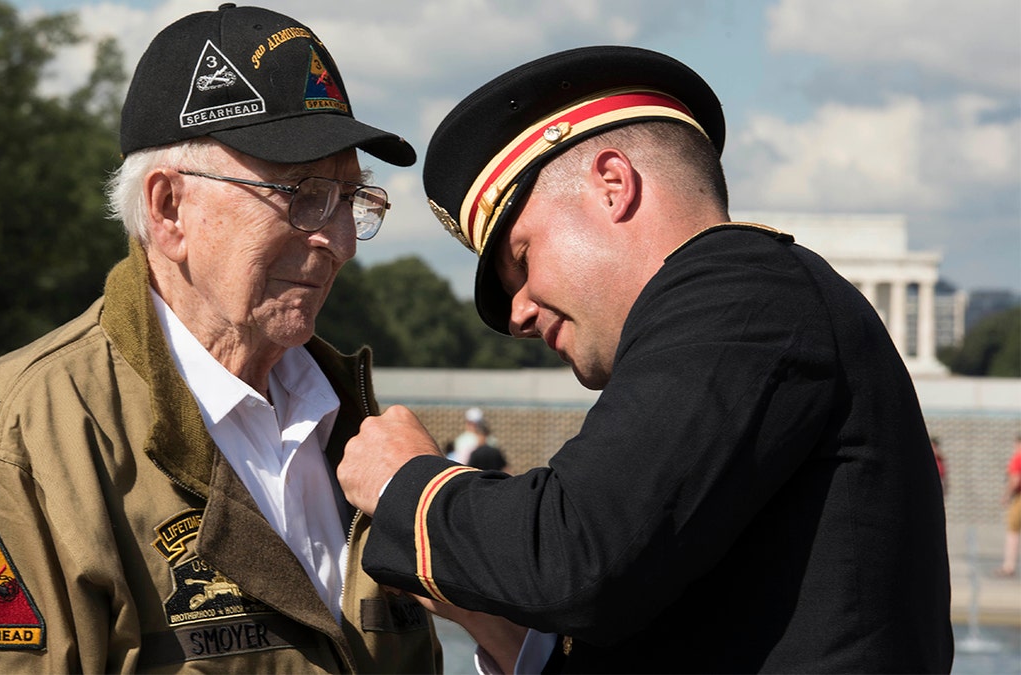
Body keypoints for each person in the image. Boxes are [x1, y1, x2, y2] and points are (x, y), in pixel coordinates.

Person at [0, 5, 439, 672]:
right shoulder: (23, 445)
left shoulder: (357, 434)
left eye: (353, 199)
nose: (342, 240)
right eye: (302, 193)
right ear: (168, 208)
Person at [337, 45, 953, 672]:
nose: (519, 314)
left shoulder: (741, 289)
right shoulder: (749, 305)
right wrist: (495, 622)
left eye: (522, 259)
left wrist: (407, 483)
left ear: (613, 185)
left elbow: (573, 559)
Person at [997, 435, 1021, 577]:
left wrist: (1006, 496)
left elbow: (1015, 479)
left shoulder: (1017, 459)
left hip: (1018, 498)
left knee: (1012, 531)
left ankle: (1009, 565)